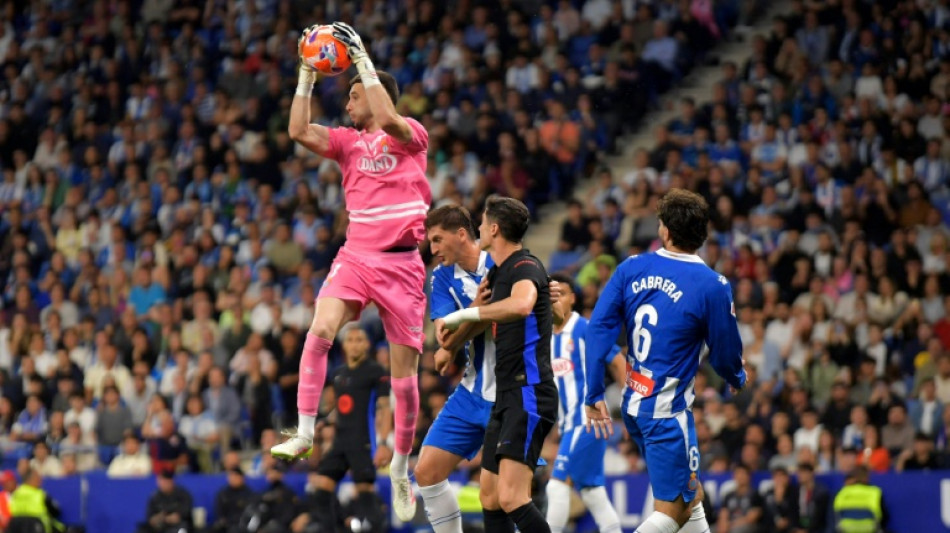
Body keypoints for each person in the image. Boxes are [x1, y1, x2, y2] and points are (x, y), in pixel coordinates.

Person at [271, 21, 431, 521]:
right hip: (357, 257)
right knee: (319, 329)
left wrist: (362, 61)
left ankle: (401, 469)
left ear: (376, 94)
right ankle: (302, 430)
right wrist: (306, 75)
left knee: (404, 378)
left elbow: (387, 115)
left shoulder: (411, 137)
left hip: (403, 266)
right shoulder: (345, 142)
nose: (348, 104)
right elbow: (297, 130)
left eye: (354, 96)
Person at [584, 188, 747, 533]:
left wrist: (593, 392)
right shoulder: (713, 285)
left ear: (665, 231)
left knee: (690, 498)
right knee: (676, 509)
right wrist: (737, 376)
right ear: (702, 234)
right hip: (667, 413)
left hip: (634, 404)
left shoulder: (632, 267)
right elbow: (724, 354)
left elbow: (598, 329)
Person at [418, 204, 565, 533]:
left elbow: (546, 312)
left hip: (518, 390)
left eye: (438, 239)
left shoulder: (505, 264)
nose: (433, 249)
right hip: (473, 392)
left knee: (509, 497)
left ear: (462, 234)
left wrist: (544, 295)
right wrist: (474, 310)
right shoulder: (441, 278)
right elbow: (445, 339)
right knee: (430, 473)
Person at [546, 273, 624, 533]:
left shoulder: (584, 328)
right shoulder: (547, 338)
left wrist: (631, 403)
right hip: (570, 424)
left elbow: (617, 361)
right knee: (592, 492)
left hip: (587, 421)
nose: (554, 301)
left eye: (561, 295)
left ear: (572, 299)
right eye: (550, 296)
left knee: (556, 485)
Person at [305, 325, 392, 533]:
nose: (354, 344)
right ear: (344, 345)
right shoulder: (338, 374)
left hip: (363, 442)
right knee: (321, 493)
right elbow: (343, 407)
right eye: (350, 339)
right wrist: (326, 421)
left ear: (367, 344)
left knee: (366, 498)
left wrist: (383, 443)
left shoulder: (375, 371)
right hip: (340, 442)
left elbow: (384, 409)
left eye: (359, 339)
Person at [832, 466, 887, 533]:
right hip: (871, 529)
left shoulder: (842, 492)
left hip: (845, 530)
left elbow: (835, 514)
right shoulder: (875, 492)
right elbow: (884, 516)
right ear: (866, 478)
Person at [8, 468, 63, 533]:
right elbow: (56, 511)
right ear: (31, 479)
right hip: (36, 526)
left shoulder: (15, 494)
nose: (40, 480)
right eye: (38, 477)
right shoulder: (40, 494)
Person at [211, 468, 255, 533]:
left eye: (235, 476)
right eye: (230, 477)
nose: (232, 479)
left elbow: (251, 512)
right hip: (227, 525)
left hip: (243, 525)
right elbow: (219, 512)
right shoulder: (223, 494)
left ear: (242, 478)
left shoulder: (248, 494)